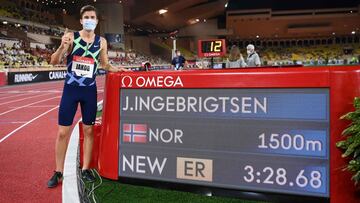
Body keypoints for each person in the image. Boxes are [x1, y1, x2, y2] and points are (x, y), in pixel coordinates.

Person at [47, 5, 128, 188]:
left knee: (89, 130)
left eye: (93, 17)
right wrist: (62, 46)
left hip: (89, 91)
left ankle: (86, 169)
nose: (90, 19)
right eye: (86, 17)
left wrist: (117, 69)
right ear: (81, 21)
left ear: (97, 21)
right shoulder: (71, 37)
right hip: (71, 90)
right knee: (62, 133)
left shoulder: (102, 42)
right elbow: (54, 61)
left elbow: (105, 64)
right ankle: (58, 172)